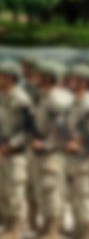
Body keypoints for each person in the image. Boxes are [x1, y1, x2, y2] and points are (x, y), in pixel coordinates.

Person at [31, 61, 74, 238]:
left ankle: (55, 229)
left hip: (55, 153)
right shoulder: (45, 97)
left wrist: (46, 145)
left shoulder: (58, 99)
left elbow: (63, 132)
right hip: (43, 152)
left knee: (54, 192)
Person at [63, 65, 89, 237]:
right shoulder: (73, 102)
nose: (70, 82)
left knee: (85, 194)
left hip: (86, 156)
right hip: (71, 154)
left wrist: (82, 144)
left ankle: (87, 229)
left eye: (75, 79)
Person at [0, 61, 32, 239]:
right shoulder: (3, 97)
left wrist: (10, 145)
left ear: (10, 78)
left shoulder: (21, 99)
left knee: (15, 192)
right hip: (3, 151)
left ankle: (16, 228)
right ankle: (6, 225)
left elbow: (27, 131)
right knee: (3, 190)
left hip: (15, 154)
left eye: (1, 76)